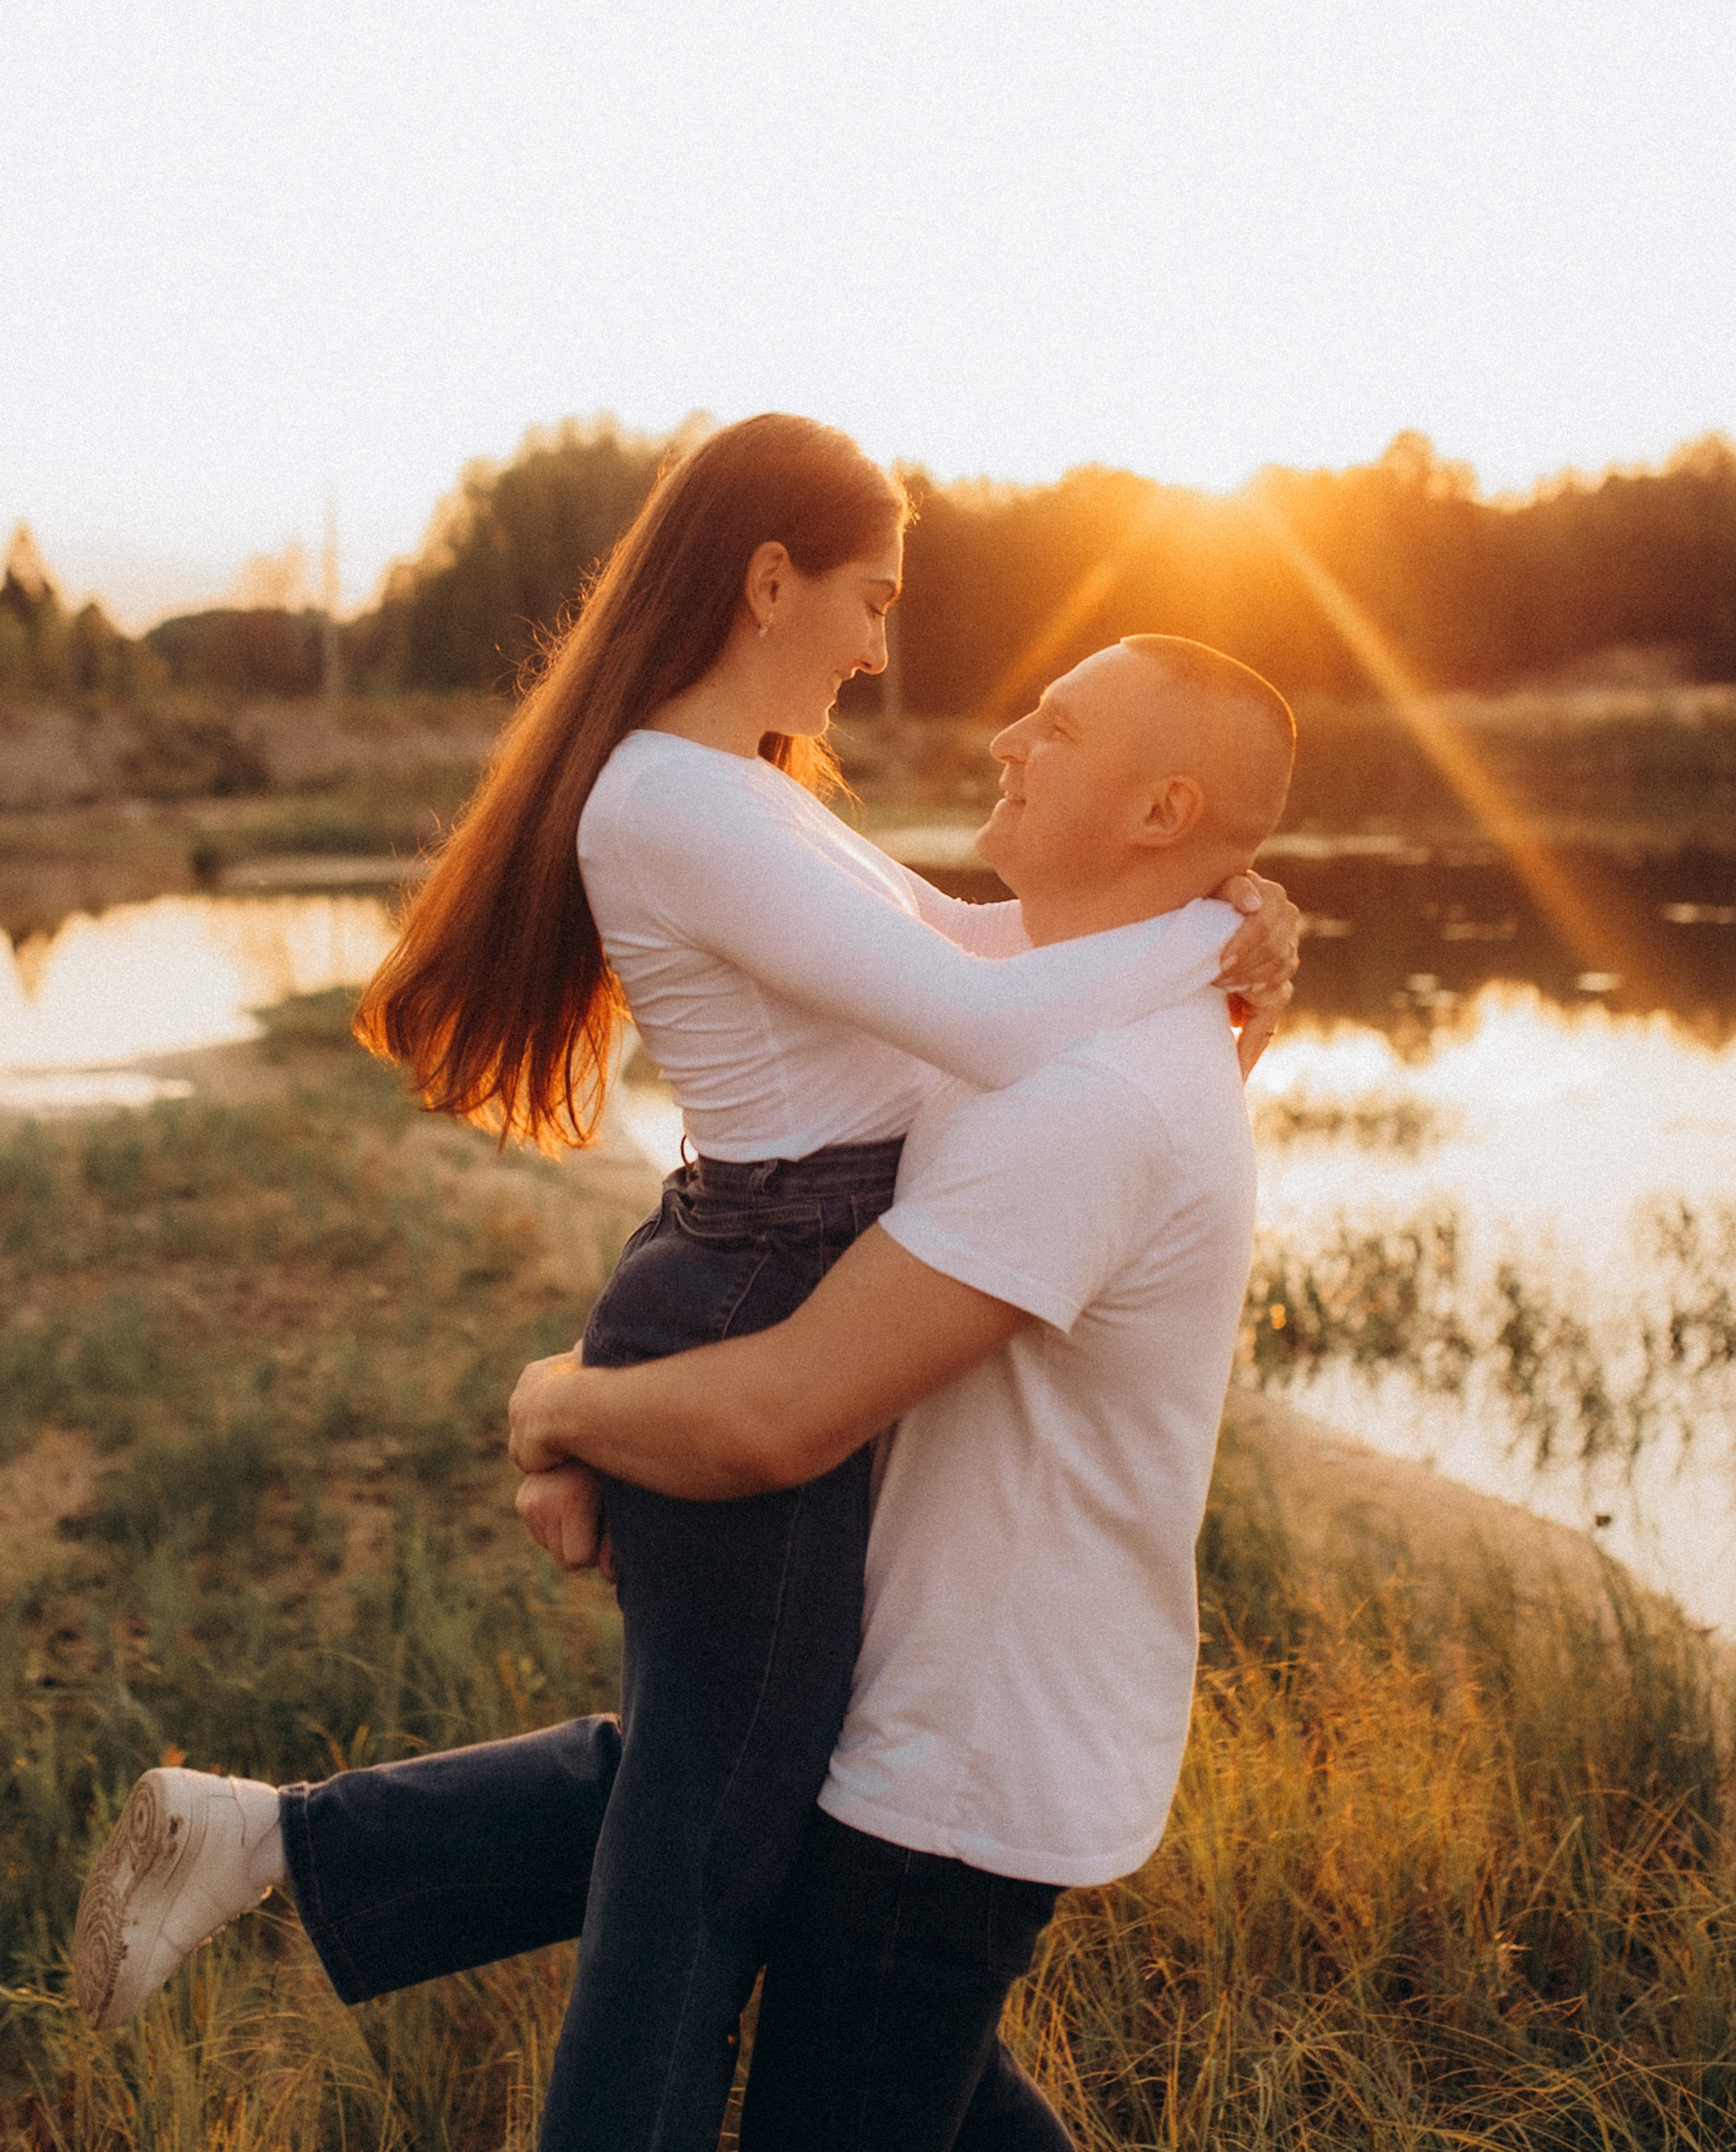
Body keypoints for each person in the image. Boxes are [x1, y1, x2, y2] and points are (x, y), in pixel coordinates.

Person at [73, 416, 1297, 2152]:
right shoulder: (673, 793)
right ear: (768, 575)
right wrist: (1199, 936)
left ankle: (269, 1840)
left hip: (767, 1275)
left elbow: (966, 953)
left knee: (717, 1798)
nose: (885, 648)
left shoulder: (744, 791)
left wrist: (1222, 933)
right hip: (764, 1287)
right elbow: (972, 1021)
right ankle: (272, 1845)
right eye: (869, 596)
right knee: (703, 1861)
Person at [506, 633, 1296, 2149]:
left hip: (953, 1769)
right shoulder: (1040, 1025)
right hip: (929, 1714)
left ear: (1156, 810)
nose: (1003, 735)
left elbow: (782, 1414)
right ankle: (292, 1844)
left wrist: (556, 1411)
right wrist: (1229, 923)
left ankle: (291, 1845)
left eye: (1053, 726)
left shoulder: (1086, 1099)